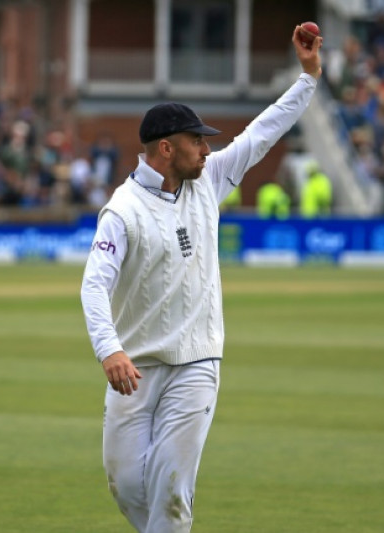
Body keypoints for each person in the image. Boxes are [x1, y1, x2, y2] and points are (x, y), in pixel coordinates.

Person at [80, 25, 322, 532]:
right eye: (197, 142)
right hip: (135, 367)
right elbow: (94, 285)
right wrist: (110, 350)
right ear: (165, 149)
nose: (208, 151)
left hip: (196, 362)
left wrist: (308, 77)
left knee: (171, 492)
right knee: (127, 488)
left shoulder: (208, 182)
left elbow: (260, 135)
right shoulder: (122, 211)